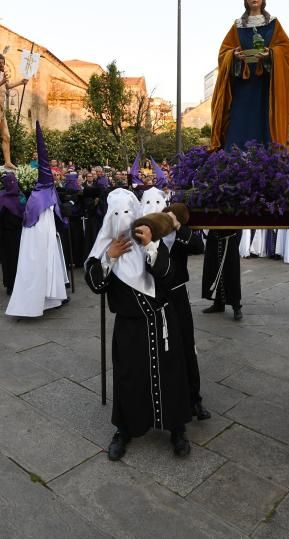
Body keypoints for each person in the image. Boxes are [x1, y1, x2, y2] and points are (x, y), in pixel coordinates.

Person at [84, 190, 192, 460]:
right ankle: (125, 429)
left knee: (171, 375)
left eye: (128, 213)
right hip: (130, 327)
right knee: (129, 378)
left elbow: (168, 276)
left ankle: (177, 428)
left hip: (162, 321)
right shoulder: (103, 249)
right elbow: (96, 284)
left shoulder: (152, 238)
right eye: (117, 214)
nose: (123, 219)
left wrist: (150, 247)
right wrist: (109, 255)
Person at [209, 0, 289, 150]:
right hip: (243, 85)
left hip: (266, 86)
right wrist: (233, 55)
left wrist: (270, 54)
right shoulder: (238, 25)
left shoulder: (273, 24)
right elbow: (223, 52)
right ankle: (234, 162)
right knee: (240, 122)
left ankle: (268, 163)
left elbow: (286, 51)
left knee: (265, 125)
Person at [6, 123, 69, 318]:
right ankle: (35, 302)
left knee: (50, 267)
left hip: (48, 237)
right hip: (38, 240)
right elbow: (44, 217)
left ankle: (53, 297)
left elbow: (56, 212)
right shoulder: (40, 197)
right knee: (39, 268)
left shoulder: (44, 194)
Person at [162, 203, 211, 422]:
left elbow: (198, 246)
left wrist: (178, 226)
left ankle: (194, 398)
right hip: (156, 297)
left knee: (186, 346)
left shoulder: (183, 236)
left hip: (178, 296)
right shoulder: (152, 234)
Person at [0, 172, 24, 296]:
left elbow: (25, 210)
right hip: (7, 236)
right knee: (9, 261)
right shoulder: (0, 197)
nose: (12, 184)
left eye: (13, 181)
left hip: (20, 234)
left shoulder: (20, 195)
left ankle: (21, 283)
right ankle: (10, 285)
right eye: (9, 182)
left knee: (20, 261)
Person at [202, 230, 243, 321]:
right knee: (213, 269)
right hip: (213, 238)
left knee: (232, 273)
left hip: (230, 237)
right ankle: (218, 304)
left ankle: (236, 306)